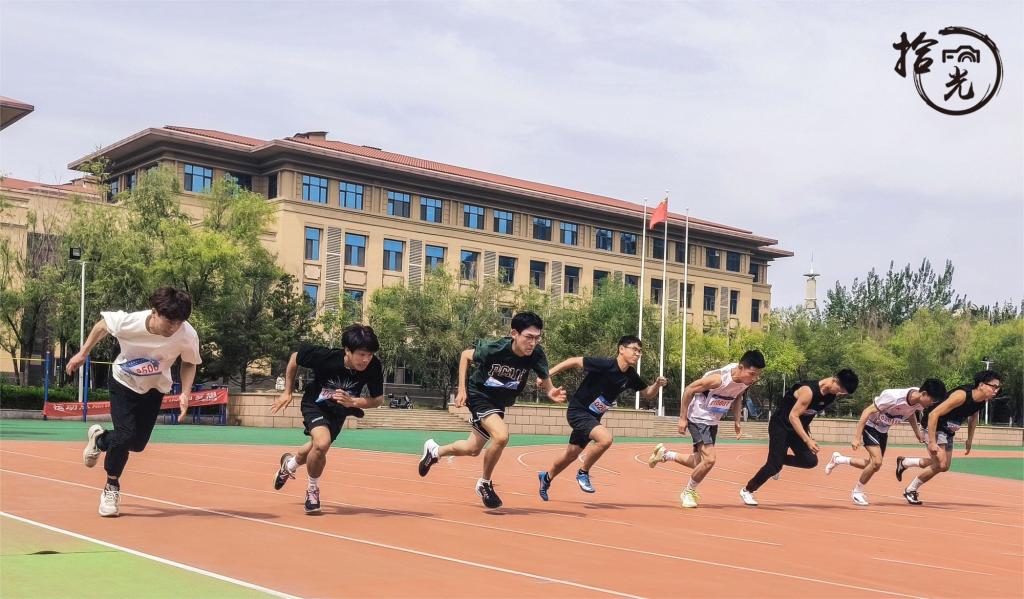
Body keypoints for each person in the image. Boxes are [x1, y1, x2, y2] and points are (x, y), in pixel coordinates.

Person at [71, 287, 201, 517]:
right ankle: (111, 487)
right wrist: (83, 353)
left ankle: (100, 439)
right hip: (124, 382)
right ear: (154, 312)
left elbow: (189, 362)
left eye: (179, 322)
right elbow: (102, 325)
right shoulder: (130, 322)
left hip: (154, 388)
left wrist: (185, 392)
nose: (174, 327)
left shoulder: (187, 334)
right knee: (125, 435)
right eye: (170, 321)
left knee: (137, 444)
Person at [418, 311, 566, 509]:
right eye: (528, 337)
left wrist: (550, 391)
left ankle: (435, 451)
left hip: (498, 402)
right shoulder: (496, 349)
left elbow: (544, 375)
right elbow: (465, 356)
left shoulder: (536, 354)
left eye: (537, 338)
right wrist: (461, 390)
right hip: (479, 394)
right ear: (514, 333)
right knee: (501, 436)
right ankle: (484, 484)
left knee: (472, 449)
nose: (532, 343)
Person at [537, 336, 667, 500]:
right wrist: (546, 375)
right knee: (605, 439)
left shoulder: (631, 375)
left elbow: (647, 393)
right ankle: (583, 473)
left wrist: (657, 384)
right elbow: (574, 361)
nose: (637, 354)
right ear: (621, 349)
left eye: (640, 351)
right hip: (578, 411)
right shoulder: (605, 365)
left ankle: (546, 477)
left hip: (593, 417)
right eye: (634, 349)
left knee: (571, 454)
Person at [270, 324, 383, 514]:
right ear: (347, 350)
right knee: (322, 443)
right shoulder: (325, 357)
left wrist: (353, 402)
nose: (366, 360)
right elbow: (294, 358)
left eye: (370, 355)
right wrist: (287, 391)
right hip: (314, 404)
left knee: (316, 447)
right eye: (361, 354)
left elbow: (378, 400)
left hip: (339, 411)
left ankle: (289, 465)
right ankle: (312, 491)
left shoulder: (373, 366)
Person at [648, 350, 765, 508]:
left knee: (698, 462)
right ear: (740, 367)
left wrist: (737, 422)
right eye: (752, 374)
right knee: (710, 459)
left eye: (758, 375)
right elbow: (689, 389)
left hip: (712, 421)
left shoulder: (745, 381)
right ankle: (688, 492)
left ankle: (665, 454)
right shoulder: (718, 379)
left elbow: (737, 396)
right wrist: (682, 418)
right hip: (698, 417)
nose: (754, 379)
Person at [738, 369, 859, 506]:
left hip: (797, 429)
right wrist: (807, 440)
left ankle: (778, 460)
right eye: (841, 390)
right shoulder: (808, 391)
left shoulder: (830, 396)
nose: (840, 394)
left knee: (810, 461)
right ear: (835, 380)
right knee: (773, 465)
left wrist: (808, 434)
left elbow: (808, 414)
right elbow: (793, 416)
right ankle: (747, 490)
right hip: (781, 426)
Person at [823, 379, 946, 505]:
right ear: (924, 394)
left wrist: (917, 433)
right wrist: (857, 437)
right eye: (932, 400)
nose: (932, 403)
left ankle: (838, 459)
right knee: (877, 462)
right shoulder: (893, 397)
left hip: (883, 430)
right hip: (870, 426)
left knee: (872, 465)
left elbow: (910, 414)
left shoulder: (919, 402)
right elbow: (866, 412)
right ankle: (857, 492)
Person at [895, 370, 1002, 505]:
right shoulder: (961, 395)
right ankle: (910, 489)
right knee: (941, 464)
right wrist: (932, 442)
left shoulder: (982, 400)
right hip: (934, 425)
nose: (996, 390)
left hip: (947, 430)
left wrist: (970, 439)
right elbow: (933, 414)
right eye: (994, 386)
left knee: (944, 466)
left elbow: (973, 417)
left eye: (998, 387)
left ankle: (905, 462)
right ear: (981, 385)